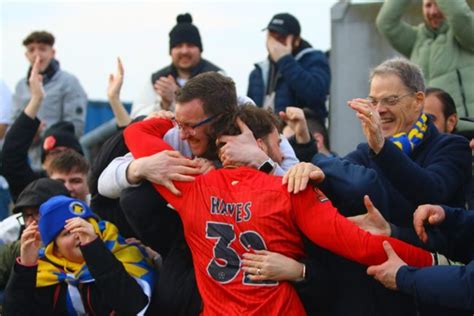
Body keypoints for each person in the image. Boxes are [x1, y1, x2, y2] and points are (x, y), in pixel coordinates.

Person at [124, 103, 435, 315]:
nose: (284, 149)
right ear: (260, 144)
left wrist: (171, 119)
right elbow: (362, 246)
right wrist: (437, 264)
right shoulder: (291, 189)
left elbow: (136, 134)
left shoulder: (192, 187)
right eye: (279, 141)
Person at [309, 57, 471, 315]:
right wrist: (310, 161)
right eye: (373, 101)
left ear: (418, 100)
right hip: (375, 294)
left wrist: (381, 150)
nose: (379, 109)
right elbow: (332, 170)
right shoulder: (369, 149)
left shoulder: (450, 147)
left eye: (390, 100)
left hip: (430, 296)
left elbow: (430, 192)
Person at [3, 195, 154, 315]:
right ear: (55, 249)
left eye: (84, 225)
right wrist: (26, 266)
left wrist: (94, 249)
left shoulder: (122, 250)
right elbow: (15, 312)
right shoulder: (47, 272)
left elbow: (132, 305)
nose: (78, 234)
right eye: (66, 233)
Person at [376, 0, 474, 134]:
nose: (433, 11)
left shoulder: (467, 35)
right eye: (428, 5)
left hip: (467, 130)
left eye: (438, 4)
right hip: (432, 134)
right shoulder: (417, 40)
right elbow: (386, 23)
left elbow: (459, 15)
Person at [2, 57, 88, 202]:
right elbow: (10, 156)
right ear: (43, 163)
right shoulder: (33, 191)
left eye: (65, 153)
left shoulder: (98, 198)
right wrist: (36, 99)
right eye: (53, 153)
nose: (67, 187)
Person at [131, 13, 224, 118]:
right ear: (171, 51)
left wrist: (177, 99)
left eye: (190, 45)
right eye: (178, 46)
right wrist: (163, 104)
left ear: (200, 49)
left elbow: (223, 114)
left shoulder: (217, 77)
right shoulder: (157, 80)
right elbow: (136, 116)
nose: (184, 51)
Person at [247, 12, 330, 122]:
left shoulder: (314, 59)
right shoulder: (258, 72)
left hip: (302, 132)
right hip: (265, 134)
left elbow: (316, 95)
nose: (274, 44)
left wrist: (284, 59)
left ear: (296, 40)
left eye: (280, 38)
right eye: (271, 36)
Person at [11, 31, 87, 137]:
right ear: (26, 55)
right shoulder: (20, 86)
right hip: (24, 152)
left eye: (42, 49)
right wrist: (31, 134)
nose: (36, 54)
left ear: (52, 52)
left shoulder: (69, 82)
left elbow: (75, 128)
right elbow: (12, 127)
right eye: (31, 50)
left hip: (56, 151)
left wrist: (40, 133)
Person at [0, 178, 70, 289]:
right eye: (26, 215)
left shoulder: (88, 241)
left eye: (37, 213)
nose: (30, 223)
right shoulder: (19, 249)